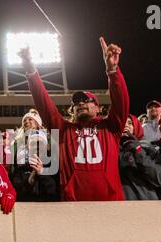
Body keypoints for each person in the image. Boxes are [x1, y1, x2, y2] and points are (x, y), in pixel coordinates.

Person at [18, 37, 129, 201]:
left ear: (98, 107)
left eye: (86, 100)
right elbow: (44, 103)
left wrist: (113, 71)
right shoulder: (64, 130)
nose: (81, 103)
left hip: (110, 205)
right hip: (73, 206)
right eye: (76, 102)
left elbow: (121, 101)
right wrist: (30, 69)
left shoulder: (111, 127)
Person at [119, 115, 161, 200]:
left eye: (130, 123)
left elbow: (160, 179)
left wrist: (138, 150)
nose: (126, 125)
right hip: (119, 206)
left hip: (146, 204)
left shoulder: (149, 148)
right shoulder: (111, 150)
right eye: (122, 122)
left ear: (137, 127)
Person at [10, 130, 59, 202]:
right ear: (27, 147)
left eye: (40, 143)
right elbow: (17, 194)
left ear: (47, 147)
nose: (36, 146)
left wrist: (42, 173)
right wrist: (29, 182)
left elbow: (55, 193)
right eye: (33, 143)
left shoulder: (55, 167)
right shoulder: (20, 169)